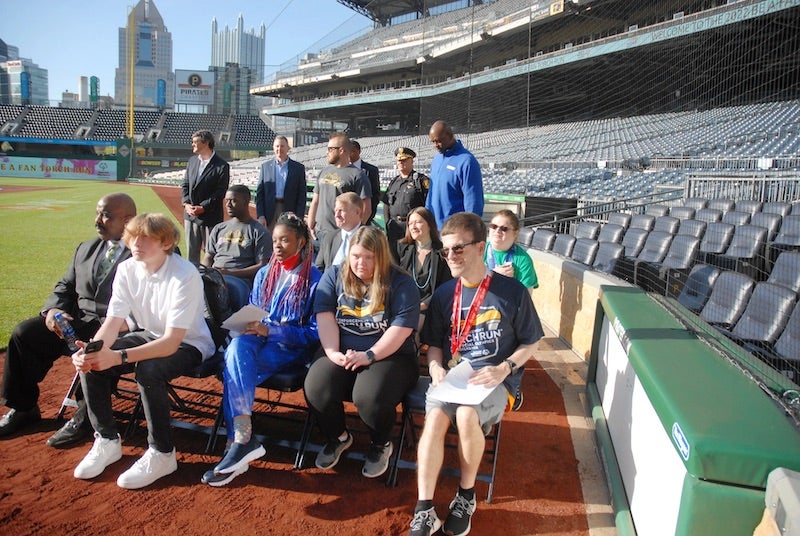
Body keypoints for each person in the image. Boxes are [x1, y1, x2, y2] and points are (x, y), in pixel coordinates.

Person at [409, 213, 543, 536]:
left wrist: (504, 368)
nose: (451, 256)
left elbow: (532, 341)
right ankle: (424, 508)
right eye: (446, 250)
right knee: (436, 419)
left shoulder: (512, 292)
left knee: (468, 415)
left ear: (480, 247)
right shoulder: (444, 295)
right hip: (453, 378)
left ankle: (466, 496)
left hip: (495, 379)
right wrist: (435, 366)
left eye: (458, 249)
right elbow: (435, 346)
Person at [71, 213, 215, 489]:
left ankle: (162, 453)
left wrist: (119, 357)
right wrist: (93, 351)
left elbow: (172, 342)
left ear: (166, 243)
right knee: (93, 361)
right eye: (132, 236)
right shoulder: (127, 269)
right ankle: (107, 441)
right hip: (147, 335)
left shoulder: (185, 274)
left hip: (190, 343)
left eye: (145, 237)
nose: (135, 243)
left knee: (149, 369)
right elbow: (113, 323)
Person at [0, 193, 137, 448]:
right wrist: (52, 311)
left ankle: (85, 418)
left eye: (106, 215)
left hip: (118, 328)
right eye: (97, 213)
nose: (98, 220)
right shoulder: (86, 248)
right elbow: (65, 286)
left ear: (127, 219)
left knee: (96, 351)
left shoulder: (146, 249)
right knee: (24, 333)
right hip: (77, 323)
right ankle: (23, 408)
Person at [202, 213, 322, 487]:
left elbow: (315, 334)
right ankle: (243, 441)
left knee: (234, 365)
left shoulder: (315, 279)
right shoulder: (265, 273)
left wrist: (273, 330)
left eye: (285, 240)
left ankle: (236, 442)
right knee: (236, 348)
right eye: (275, 240)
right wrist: (248, 325)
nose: (277, 246)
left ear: (301, 241)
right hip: (256, 340)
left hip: (288, 348)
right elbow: (255, 308)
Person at [305, 226, 419, 479]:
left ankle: (380, 444)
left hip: (391, 355)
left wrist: (370, 355)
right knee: (316, 384)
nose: (361, 263)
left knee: (368, 395)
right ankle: (338, 437)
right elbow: (324, 316)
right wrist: (333, 353)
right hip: (342, 350)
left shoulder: (400, 282)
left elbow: (401, 329)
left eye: (369, 257)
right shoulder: (334, 275)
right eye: (356, 256)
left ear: (381, 256)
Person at [202, 185, 270, 309]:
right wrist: (205, 273)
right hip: (215, 276)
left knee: (227, 292)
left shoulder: (259, 231)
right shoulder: (219, 228)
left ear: (246, 201)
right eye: (227, 200)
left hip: (240, 280)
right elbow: (208, 256)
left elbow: (262, 266)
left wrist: (229, 273)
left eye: (233, 200)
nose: (228, 204)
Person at [306, 133, 372, 244]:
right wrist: (310, 225)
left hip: (340, 236)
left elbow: (366, 208)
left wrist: (353, 232)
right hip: (318, 233)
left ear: (341, 150)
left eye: (330, 149)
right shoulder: (323, 172)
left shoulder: (357, 175)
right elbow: (315, 201)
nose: (327, 152)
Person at [395, 207, 451, 332]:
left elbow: (445, 286)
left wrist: (423, 305)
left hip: (432, 307)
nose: (413, 226)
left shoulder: (443, 251)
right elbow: (395, 281)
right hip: (405, 306)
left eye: (418, 222)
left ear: (430, 225)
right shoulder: (402, 249)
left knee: (414, 325)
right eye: (410, 223)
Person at [181, 130, 230, 263]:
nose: (192, 144)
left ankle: (210, 282)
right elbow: (185, 184)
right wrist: (186, 204)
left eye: (195, 142)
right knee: (191, 256)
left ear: (206, 143)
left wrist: (203, 207)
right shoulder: (192, 161)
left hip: (210, 217)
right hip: (190, 216)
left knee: (211, 255)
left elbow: (220, 192)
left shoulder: (222, 166)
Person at [426, 120, 484, 229]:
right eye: (432, 142)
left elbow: (473, 203)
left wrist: (468, 231)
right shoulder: (436, 159)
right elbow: (431, 194)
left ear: (449, 135)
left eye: (438, 141)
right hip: (434, 231)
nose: (435, 145)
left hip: (455, 232)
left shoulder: (467, 161)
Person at [256, 136, 308, 229]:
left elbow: (302, 194)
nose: (279, 149)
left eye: (282, 146)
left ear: (288, 148)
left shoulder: (298, 168)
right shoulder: (265, 167)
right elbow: (260, 194)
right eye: (277, 146)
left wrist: (299, 216)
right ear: (273, 148)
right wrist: (260, 215)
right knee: (269, 240)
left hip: (289, 211)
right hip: (269, 211)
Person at [383, 147, 429, 248]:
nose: (401, 163)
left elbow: (428, 205)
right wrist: (388, 223)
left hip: (412, 228)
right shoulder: (394, 182)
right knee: (394, 259)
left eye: (404, 160)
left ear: (412, 161)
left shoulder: (421, 181)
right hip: (394, 228)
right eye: (399, 160)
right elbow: (386, 204)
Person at [484, 209, 538, 290]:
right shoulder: (478, 251)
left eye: (504, 229)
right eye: (494, 226)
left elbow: (525, 299)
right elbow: (466, 283)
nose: (497, 231)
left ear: (515, 233)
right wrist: (493, 275)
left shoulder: (523, 260)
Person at [315, 192, 363, 272]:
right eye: (336, 210)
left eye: (341, 210)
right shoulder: (329, 238)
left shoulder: (371, 238)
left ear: (357, 212)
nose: (337, 215)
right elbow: (319, 268)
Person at [350, 140, 381, 226]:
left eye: (352, 151)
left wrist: (368, 216)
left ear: (359, 151)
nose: (349, 154)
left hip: (364, 217)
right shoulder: (342, 170)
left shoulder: (371, 170)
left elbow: (375, 194)